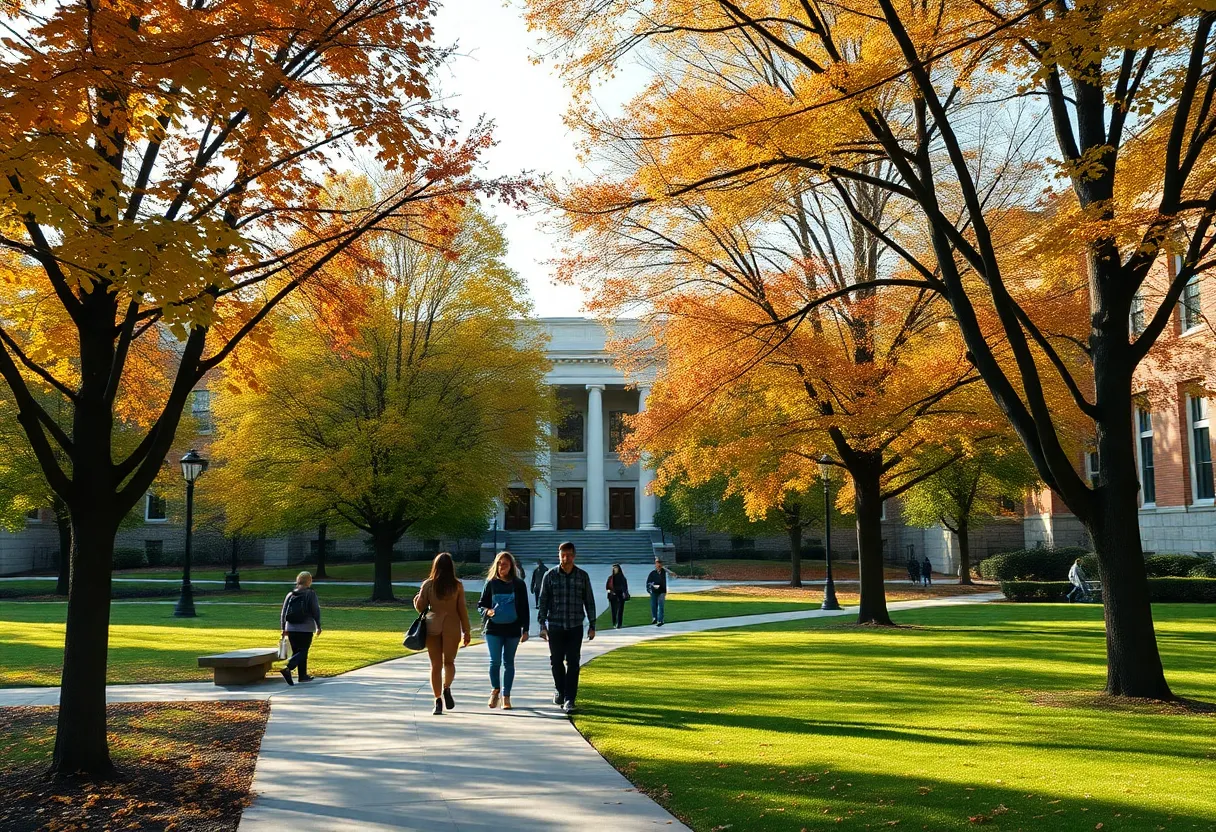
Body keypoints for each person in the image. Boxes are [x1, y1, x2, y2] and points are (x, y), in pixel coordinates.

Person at [538, 541, 596, 715]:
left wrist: (592, 624)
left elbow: (589, 600)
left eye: (569, 555)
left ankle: (570, 698)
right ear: (559, 555)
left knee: (573, 662)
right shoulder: (550, 576)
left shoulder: (582, 576)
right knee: (556, 661)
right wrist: (542, 624)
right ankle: (560, 691)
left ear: (574, 555)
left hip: (575, 625)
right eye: (563, 555)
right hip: (555, 624)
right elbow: (543, 601)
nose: (566, 558)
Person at [414, 552, 472, 715]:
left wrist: (417, 598)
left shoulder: (428, 584)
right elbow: (462, 610)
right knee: (450, 662)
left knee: (435, 665)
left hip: (433, 626)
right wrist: (466, 631)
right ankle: (447, 687)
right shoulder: (457, 585)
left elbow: (420, 607)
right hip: (452, 627)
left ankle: (437, 699)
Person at [478, 551, 530, 710]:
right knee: (495, 662)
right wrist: (487, 611)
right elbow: (481, 605)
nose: (502, 567)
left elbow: (524, 608)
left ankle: (506, 696)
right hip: (493, 628)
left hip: (513, 628)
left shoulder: (519, 584)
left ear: (511, 566)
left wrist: (525, 629)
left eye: (505, 564)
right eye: (499, 564)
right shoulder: (491, 583)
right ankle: (495, 690)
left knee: (509, 662)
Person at [280, 571, 321, 686]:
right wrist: (319, 625)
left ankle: (302, 676)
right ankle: (288, 667)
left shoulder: (291, 594)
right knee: (303, 651)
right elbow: (315, 610)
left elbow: (283, 613)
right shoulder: (310, 594)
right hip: (306, 628)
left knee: (297, 651)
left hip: (291, 627)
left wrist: (283, 628)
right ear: (309, 581)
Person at [606, 563, 630, 629]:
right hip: (612, 596)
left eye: (616, 568)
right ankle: (614, 623)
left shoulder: (622, 578)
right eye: (614, 568)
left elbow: (625, 587)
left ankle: (619, 624)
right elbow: (607, 587)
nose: (615, 569)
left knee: (620, 610)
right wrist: (609, 591)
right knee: (613, 611)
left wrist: (624, 593)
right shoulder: (610, 578)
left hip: (620, 596)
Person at [646, 558, 669, 626]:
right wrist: (651, 587)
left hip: (662, 591)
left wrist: (663, 567)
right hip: (654, 591)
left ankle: (660, 620)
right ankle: (654, 618)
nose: (658, 565)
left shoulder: (664, 572)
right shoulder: (652, 573)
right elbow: (648, 582)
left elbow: (669, 572)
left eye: (660, 564)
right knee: (653, 605)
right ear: (655, 564)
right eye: (657, 563)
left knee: (660, 605)